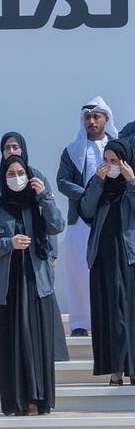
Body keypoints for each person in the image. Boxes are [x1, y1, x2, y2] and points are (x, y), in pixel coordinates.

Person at [0, 155, 65, 415]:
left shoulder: (37, 205)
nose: (16, 178)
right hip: (7, 288)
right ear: (3, 179)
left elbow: (56, 225)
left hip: (36, 285)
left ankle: (39, 399)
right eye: (11, 174)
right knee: (11, 345)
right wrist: (8, 244)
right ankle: (17, 401)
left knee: (38, 344)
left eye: (20, 173)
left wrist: (45, 196)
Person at [0, 132, 69, 363]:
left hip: (35, 258)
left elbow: (50, 220)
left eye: (16, 147)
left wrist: (51, 251)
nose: (12, 152)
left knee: (41, 307)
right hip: (1, 258)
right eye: (7, 148)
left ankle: (49, 353)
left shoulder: (37, 177)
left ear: (23, 150)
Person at [57, 97, 118, 336]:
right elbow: (63, 182)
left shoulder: (117, 147)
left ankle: (111, 321)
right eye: (88, 117)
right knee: (79, 271)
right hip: (82, 218)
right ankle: (81, 323)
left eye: (96, 117)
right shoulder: (72, 150)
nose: (91, 121)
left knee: (112, 270)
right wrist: (87, 196)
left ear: (106, 119)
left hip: (112, 216)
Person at [79, 138, 135, 385]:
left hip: (129, 257)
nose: (110, 165)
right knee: (110, 312)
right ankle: (115, 370)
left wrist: (131, 181)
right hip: (103, 257)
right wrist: (98, 182)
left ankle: (132, 368)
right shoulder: (98, 184)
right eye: (106, 160)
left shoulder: (131, 184)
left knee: (129, 312)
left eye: (115, 161)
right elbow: (87, 210)